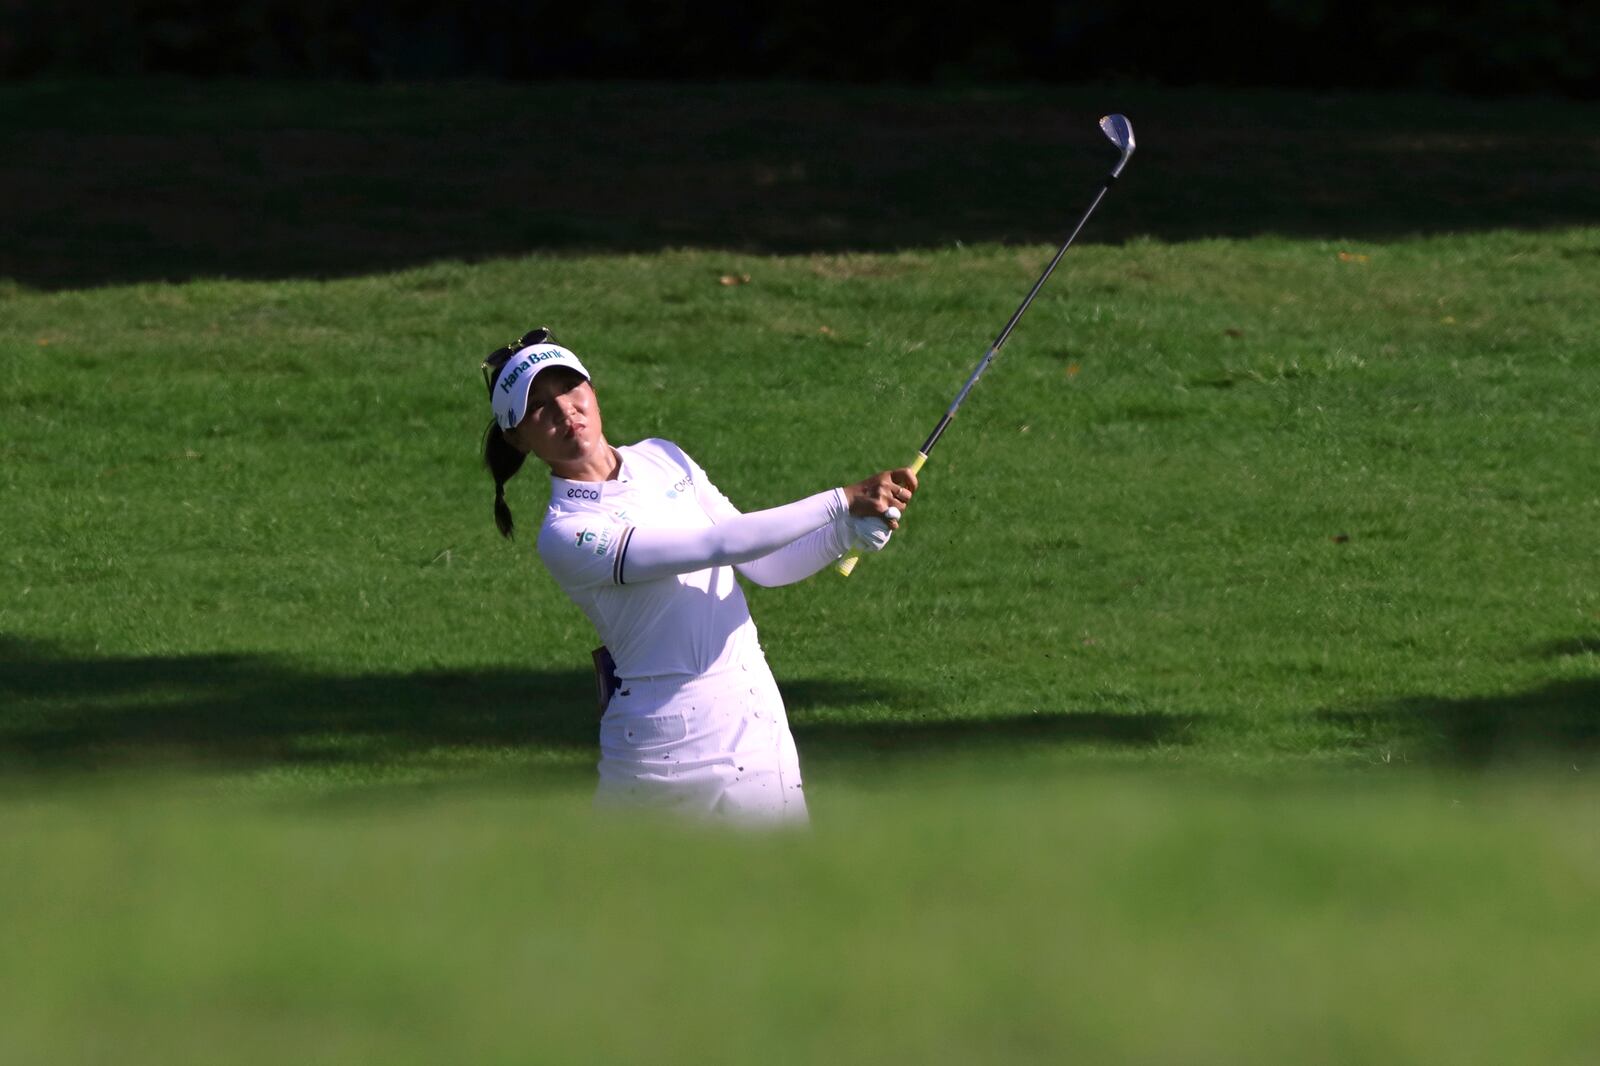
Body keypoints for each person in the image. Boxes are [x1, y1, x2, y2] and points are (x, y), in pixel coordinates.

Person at [480, 329, 917, 825]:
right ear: (517, 435)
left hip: (755, 723)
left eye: (570, 388)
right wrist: (841, 500)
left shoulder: (663, 456)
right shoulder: (567, 532)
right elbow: (716, 546)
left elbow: (763, 565)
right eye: (539, 406)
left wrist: (843, 534)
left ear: (592, 388)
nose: (565, 410)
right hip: (665, 759)